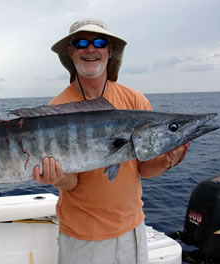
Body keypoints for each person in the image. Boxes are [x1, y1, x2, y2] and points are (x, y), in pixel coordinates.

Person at [33, 18, 190, 264]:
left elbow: (144, 169)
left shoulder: (135, 100)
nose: (91, 49)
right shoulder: (56, 111)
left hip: (134, 229)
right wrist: (58, 178)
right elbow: (72, 182)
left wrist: (168, 159)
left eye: (99, 42)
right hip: (82, 237)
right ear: (71, 52)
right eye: (82, 42)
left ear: (110, 51)